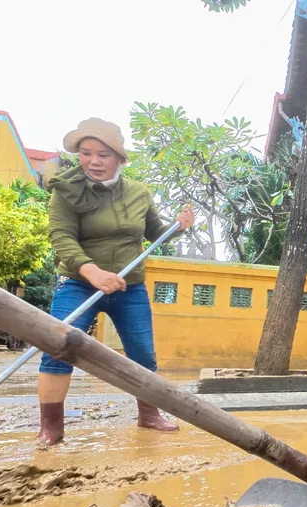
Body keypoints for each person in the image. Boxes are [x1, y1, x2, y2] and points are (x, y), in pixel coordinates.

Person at [36, 118, 194, 446]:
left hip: (128, 285)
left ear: (120, 158)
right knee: (56, 348)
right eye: (86, 153)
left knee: (143, 354)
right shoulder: (66, 190)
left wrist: (178, 227)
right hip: (78, 282)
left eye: (103, 155)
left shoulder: (138, 192)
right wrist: (90, 271)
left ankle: (149, 415)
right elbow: (61, 236)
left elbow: (154, 233)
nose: (93, 161)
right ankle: (51, 428)